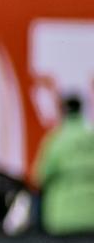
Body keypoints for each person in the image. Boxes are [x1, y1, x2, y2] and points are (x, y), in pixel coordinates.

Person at [32, 94, 94, 235]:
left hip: (63, 220)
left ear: (62, 112)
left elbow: (39, 179)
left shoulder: (56, 140)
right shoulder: (92, 137)